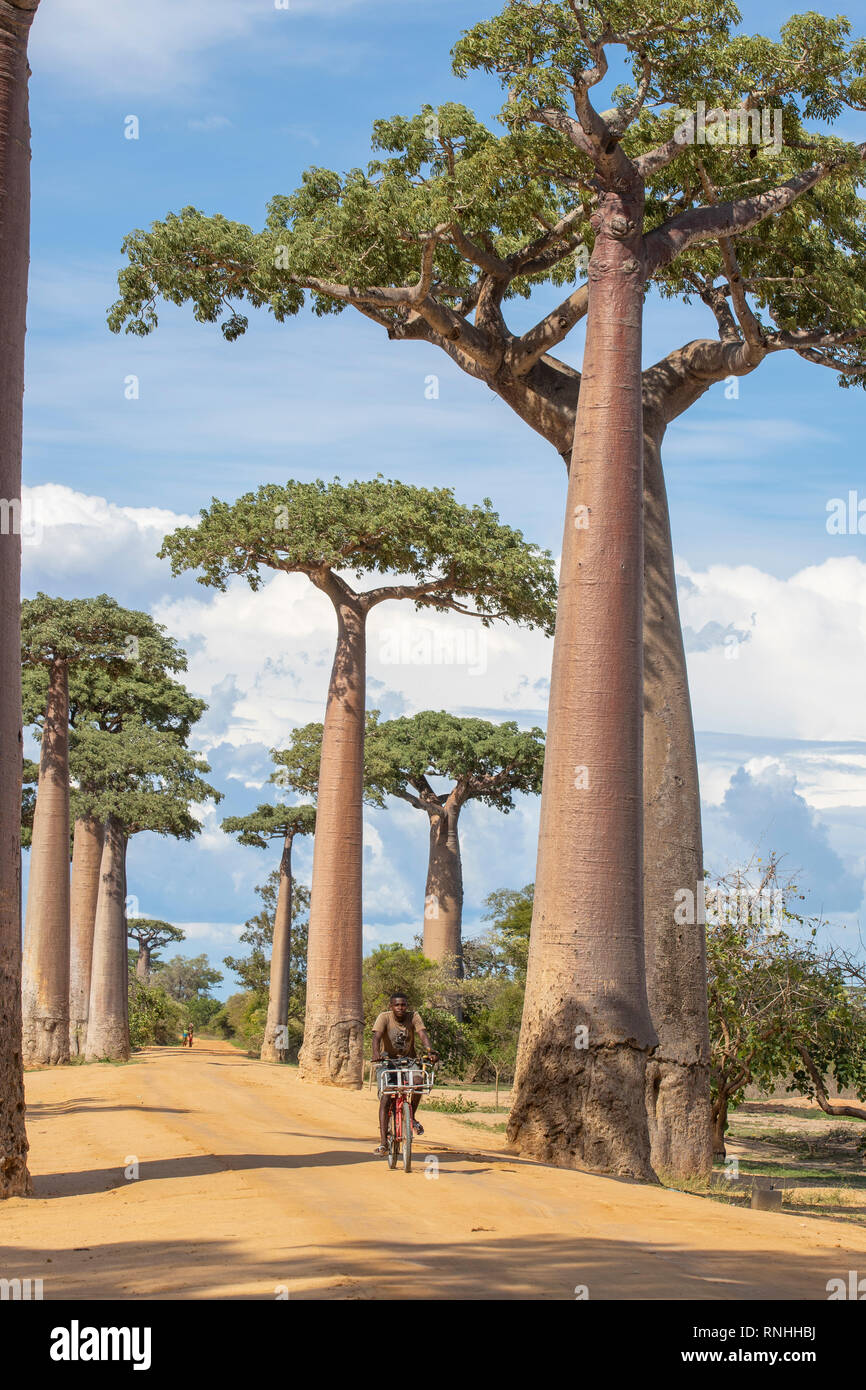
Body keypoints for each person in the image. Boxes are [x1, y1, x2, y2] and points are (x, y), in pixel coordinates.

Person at [371, 993, 437, 1156]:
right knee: (386, 1096)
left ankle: (411, 1117)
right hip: (388, 1061)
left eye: (403, 1005)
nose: (400, 1008)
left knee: (418, 1081)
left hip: (409, 1060)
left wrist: (430, 1051)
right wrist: (376, 1053)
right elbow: (376, 1037)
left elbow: (422, 1034)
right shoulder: (384, 1018)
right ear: (391, 1006)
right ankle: (383, 1143)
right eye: (397, 1005)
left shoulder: (413, 1016)